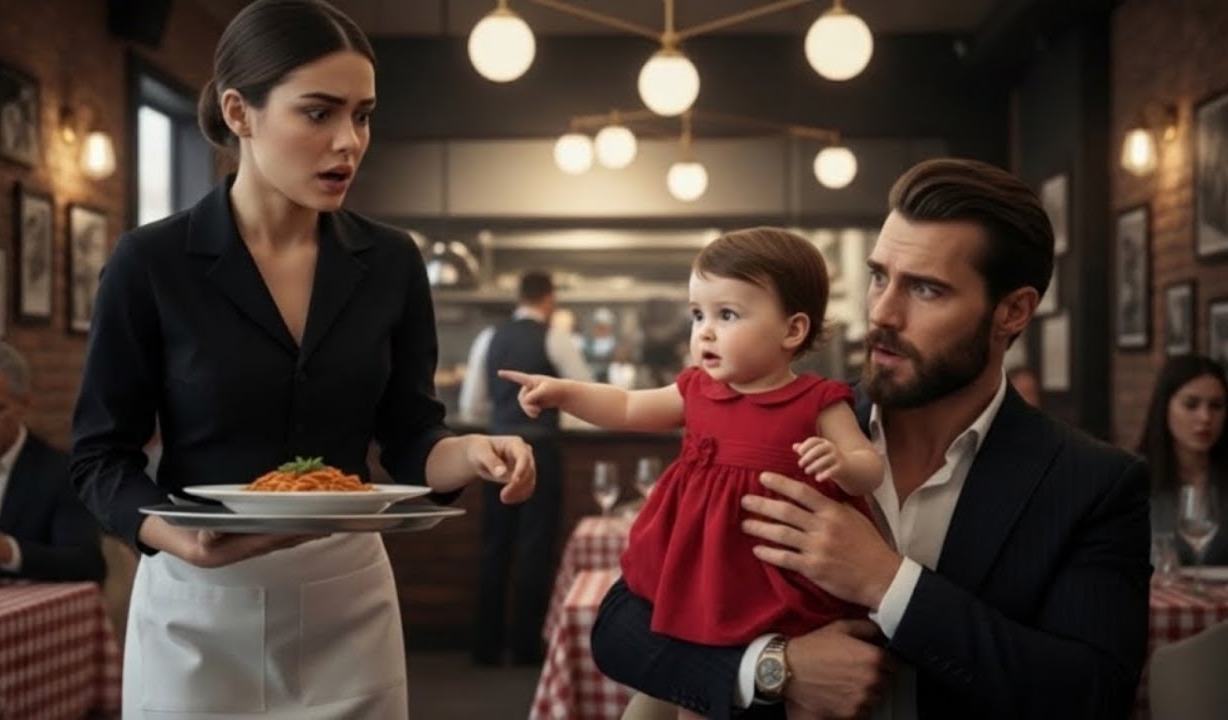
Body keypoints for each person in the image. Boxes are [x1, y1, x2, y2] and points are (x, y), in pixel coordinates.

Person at [69, 2, 535, 718]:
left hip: (345, 601)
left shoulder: (391, 263)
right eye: (318, 113)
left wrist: (472, 452)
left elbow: (411, 436)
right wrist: (175, 540)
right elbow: (100, 459)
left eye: (363, 115)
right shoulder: (150, 264)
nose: (348, 142)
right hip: (198, 601)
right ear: (240, 112)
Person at [590, 158, 1151, 720]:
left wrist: (888, 583)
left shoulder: (1093, 483)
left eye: (926, 290)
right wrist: (773, 667)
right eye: (880, 276)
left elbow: (1092, 693)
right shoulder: (775, 425)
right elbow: (620, 629)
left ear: (1013, 311)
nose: (882, 312)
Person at [501, 229, 884, 719]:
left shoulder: (819, 399)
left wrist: (843, 465)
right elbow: (626, 405)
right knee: (699, 694)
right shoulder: (697, 390)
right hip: (707, 569)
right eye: (697, 314)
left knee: (803, 703)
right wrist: (564, 392)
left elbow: (868, 466)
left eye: (727, 315)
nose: (704, 331)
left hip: (781, 572)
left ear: (792, 331)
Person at [459, 270, 593, 665]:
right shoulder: (555, 337)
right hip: (541, 450)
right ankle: (525, 648)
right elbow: (585, 393)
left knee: (494, 547)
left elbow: (471, 405)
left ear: (519, 297)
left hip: (498, 450)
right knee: (536, 547)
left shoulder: (489, 338)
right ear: (549, 299)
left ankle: (485, 647)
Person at [0, 339, 105, 582]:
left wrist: (9, 551)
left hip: (23, 614)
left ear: (24, 405)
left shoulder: (62, 473)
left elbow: (88, 565)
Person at [1136, 354, 1227, 566]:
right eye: (1191, 405)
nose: (1205, 417)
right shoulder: (1133, 479)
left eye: (1216, 406)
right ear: (1165, 407)